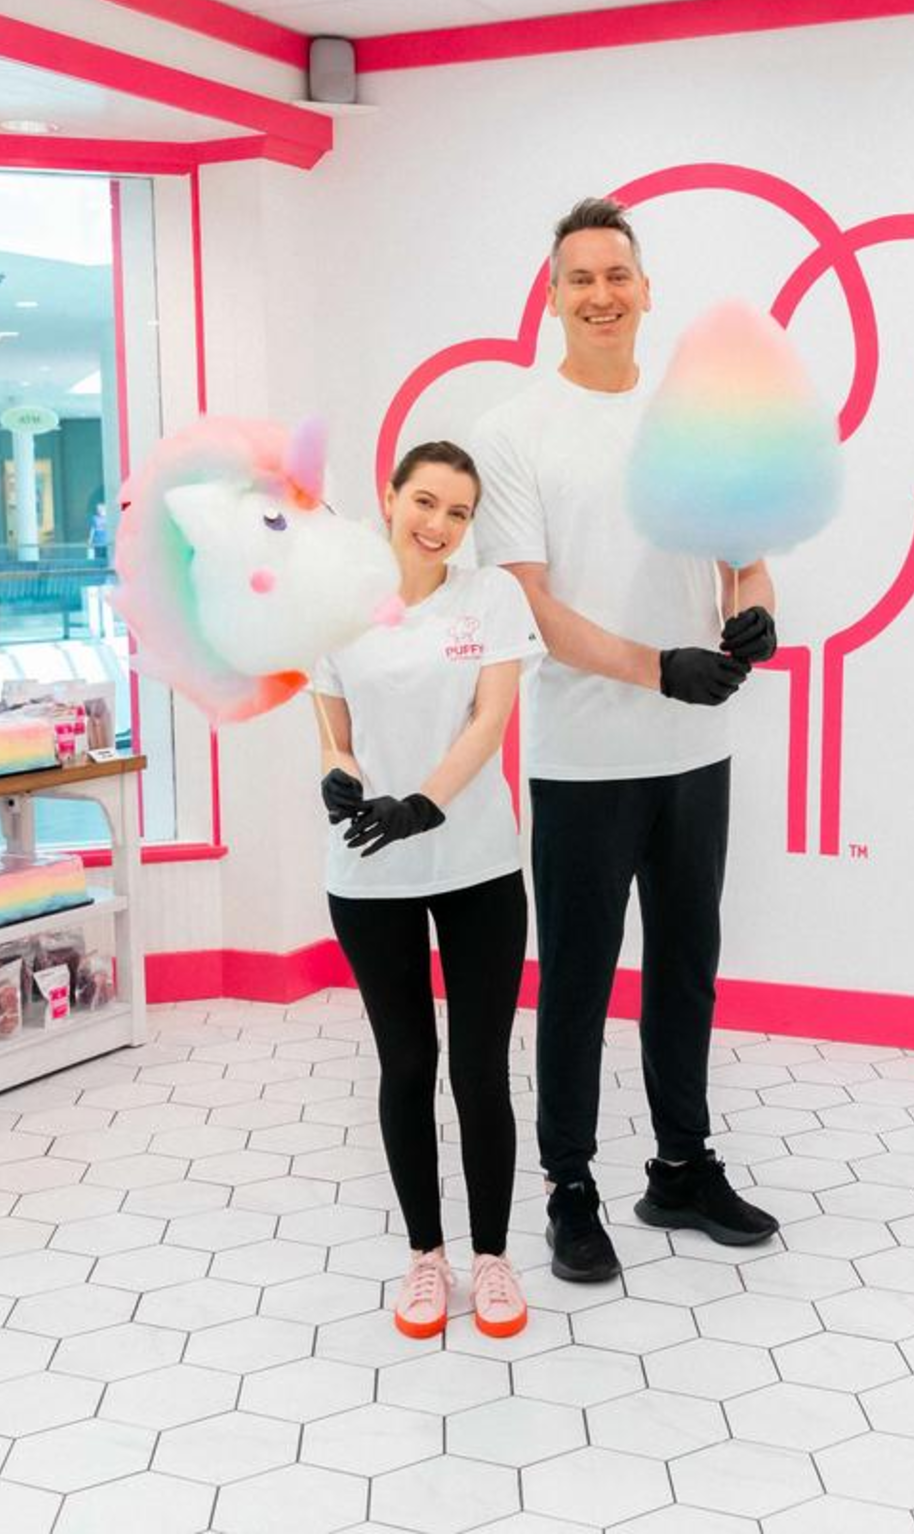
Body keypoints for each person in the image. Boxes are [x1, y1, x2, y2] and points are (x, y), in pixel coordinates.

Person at [472, 196, 782, 1284]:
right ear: (553, 298)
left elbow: (745, 558)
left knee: (687, 970)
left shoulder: (692, 418)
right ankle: (570, 1190)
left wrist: (756, 611)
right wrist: (658, 667)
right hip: (583, 758)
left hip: (696, 751)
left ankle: (681, 1168)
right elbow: (530, 606)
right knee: (577, 982)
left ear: (646, 290)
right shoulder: (514, 431)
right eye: (580, 279)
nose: (601, 295)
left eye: (617, 275)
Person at [314, 440, 542, 1338]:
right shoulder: (335, 611)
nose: (439, 524)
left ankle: (492, 1258)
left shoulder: (492, 598)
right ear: (391, 496)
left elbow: (491, 719)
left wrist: (424, 805)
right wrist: (338, 778)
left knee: (481, 1070)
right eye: (425, 502)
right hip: (370, 870)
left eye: (458, 512)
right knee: (407, 1064)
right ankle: (425, 1257)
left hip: (478, 864)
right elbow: (333, 737)